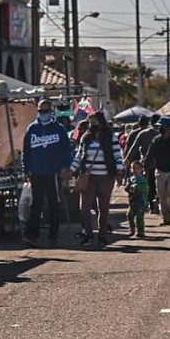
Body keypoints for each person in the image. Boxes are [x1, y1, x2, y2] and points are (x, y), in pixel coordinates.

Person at [22, 99, 73, 246]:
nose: (43, 114)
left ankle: (53, 235)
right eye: (40, 111)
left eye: (45, 111)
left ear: (51, 111)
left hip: (53, 173)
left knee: (53, 204)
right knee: (36, 204)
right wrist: (26, 170)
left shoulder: (59, 129)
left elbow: (66, 150)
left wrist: (65, 167)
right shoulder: (31, 129)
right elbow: (26, 152)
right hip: (36, 172)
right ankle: (32, 235)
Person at [68, 111, 123, 246]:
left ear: (101, 121)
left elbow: (117, 155)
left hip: (106, 177)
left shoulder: (110, 137)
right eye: (91, 122)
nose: (93, 125)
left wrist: (120, 172)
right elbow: (79, 156)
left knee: (103, 207)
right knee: (84, 207)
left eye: (95, 122)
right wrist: (71, 170)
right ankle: (89, 233)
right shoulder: (86, 138)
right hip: (89, 177)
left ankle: (102, 234)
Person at [145, 117, 170, 226]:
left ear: (168, 127)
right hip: (160, 170)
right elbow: (149, 155)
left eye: (161, 126)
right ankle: (166, 218)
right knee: (161, 195)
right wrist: (145, 167)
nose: (159, 128)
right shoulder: (156, 140)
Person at [125, 115, 160, 213]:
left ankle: (143, 204)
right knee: (152, 184)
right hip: (155, 163)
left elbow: (131, 148)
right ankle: (153, 203)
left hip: (141, 163)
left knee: (143, 184)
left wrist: (127, 160)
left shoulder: (138, 133)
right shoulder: (156, 133)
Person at [125, 161, 149, 237]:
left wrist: (137, 187)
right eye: (133, 168)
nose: (135, 170)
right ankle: (132, 229)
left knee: (139, 217)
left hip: (140, 201)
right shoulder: (130, 179)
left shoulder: (142, 180)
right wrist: (128, 187)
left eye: (137, 168)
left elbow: (145, 188)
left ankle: (141, 231)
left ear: (141, 169)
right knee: (129, 215)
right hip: (132, 201)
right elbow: (127, 189)